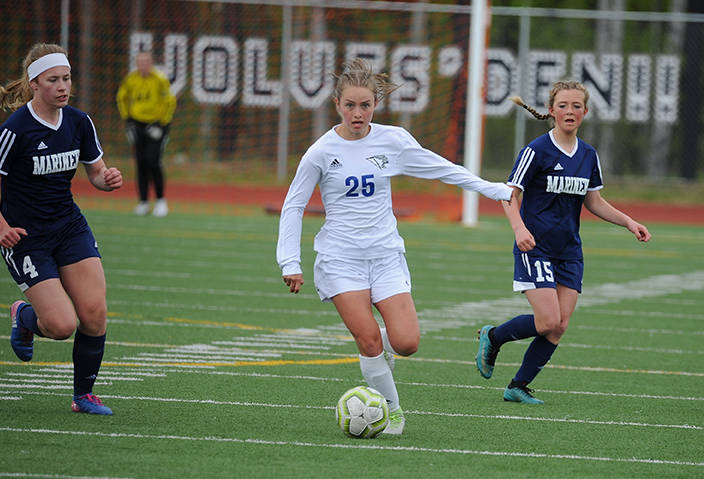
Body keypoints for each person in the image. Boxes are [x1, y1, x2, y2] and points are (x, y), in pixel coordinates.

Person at [276, 58, 514, 434]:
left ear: (375, 105)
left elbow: (442, 168)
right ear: (337, 104)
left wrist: (492, 189)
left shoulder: (393, 140)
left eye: (365, 105)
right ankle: (393, 410)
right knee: (368, 339)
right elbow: (293, 205)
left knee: (406, 343)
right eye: (350, 105)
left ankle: (381, 354)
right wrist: (290, 260)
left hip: (386, 256)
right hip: (340, 259)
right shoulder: (320, 152)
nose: (358, 113)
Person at [475, 80, 651, 404]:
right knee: (548, 321)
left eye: (576, 106)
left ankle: (517, 386)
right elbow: (508, 195)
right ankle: (493, 336)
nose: (570, 111)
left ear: (586, 111)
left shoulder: (588, 155)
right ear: (552, 110)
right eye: (563, 105)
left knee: (558, 327)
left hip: (569, 251)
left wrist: (628, 222)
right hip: (535, 246)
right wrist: (518, 229)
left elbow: (594, 201)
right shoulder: (536, 151)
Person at [0, 43, 123, 415]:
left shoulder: (79, 122)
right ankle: (24, 315)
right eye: (53, 80)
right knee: (62, 325)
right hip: (27, 238)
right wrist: (1, 227)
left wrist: (106, 179)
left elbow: (94, 171)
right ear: (34, 84)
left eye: (67, 78)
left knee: (94, 313)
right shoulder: (14, 131)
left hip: (69, 227)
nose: (63, 86)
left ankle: (83, 396)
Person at [116, 50, 176, 217]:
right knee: (140, 162)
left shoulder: (160, 79)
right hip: (137, 124)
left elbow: (170, 102)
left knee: (153, 160)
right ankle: (143, 201)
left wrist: (162, 124)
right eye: (140, 62)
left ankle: (161, 201)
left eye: (146, 62)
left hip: (156, 124)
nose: (143, 65)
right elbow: (121, 97)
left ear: (151, 63)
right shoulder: (131, 79)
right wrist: (127, 119)